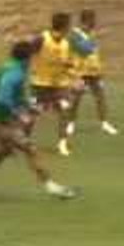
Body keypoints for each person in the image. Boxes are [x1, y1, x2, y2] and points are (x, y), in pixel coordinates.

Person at [0, 40, 76, 198]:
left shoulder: (11, 66)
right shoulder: (15, 73)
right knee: (30, 149)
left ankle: (50, 186)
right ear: (26, 58)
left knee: (3, 152)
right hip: (1, 119)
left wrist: (30, 106)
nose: (32, 60)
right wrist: (19, 114)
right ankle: (51, 186)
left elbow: (14, 95)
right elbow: (3, 97)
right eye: (31, 57)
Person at [29, 12, 89, 157]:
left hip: (59, 85)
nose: (70, 27)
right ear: (64, 26)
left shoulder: (66, 43)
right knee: (33, 114)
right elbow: (27, 52)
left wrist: (76, 78)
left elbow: (66, 63)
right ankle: (24, 141)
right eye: (68, 24)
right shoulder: (42, 39)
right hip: (40, 84)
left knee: (65, 110)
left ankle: (62, 144)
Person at [66, 9, 120, 138]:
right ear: (86, 21)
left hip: (94, 72)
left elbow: (94, 54)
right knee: (76, 99)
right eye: (92, 20)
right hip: (80, 72)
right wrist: (92, 40)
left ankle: (104, 123)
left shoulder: (91, 34)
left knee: (100, 96)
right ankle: (70, 123)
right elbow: (83, 50)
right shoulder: (75, 35)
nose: (94, 22)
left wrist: (99, 68)